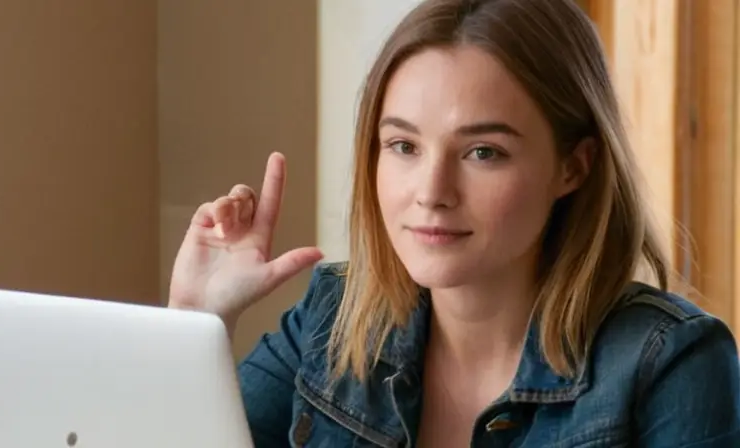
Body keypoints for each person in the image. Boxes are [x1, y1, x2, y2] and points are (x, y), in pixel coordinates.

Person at [169, 0, 740, 446]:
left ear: (573, 166)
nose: (432, 193)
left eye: (482, 152)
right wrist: (195, 325)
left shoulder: (670, 363)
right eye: (403, 145)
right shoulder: (331, 321)